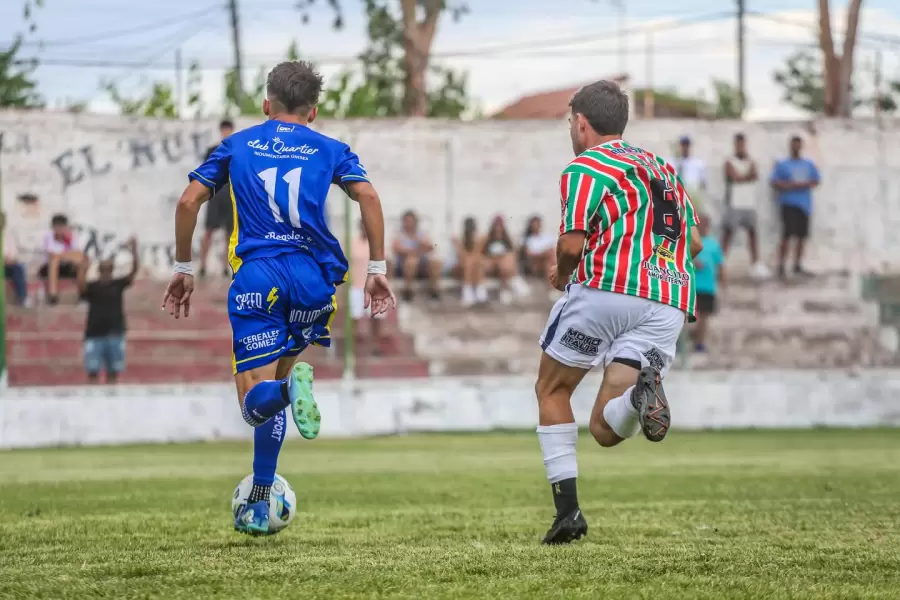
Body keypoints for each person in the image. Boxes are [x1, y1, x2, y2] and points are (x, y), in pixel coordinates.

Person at [162, 61, 396, 535]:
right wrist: (376, 269)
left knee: (256, 402)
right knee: (275, 389)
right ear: (313, 111)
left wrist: (184, 267)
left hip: (259, 276)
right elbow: (369, 197)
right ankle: (260, 499)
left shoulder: (238, 144)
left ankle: (289, 392)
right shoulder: (330, 148)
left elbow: (189, 201)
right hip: (313, 281)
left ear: (266, 104)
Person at [535, 80, 703, 545]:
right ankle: (639, 397)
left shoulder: (585, 167)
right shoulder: (662, 167)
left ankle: (567, 514)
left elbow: (572, 245)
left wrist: (563, 273)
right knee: (605, 429)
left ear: (581, 124)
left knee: (552, 389)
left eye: (571, 123)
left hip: (608, 291)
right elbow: (695, 242)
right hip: (668, 300)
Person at [77, 238, 139, 384]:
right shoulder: (92, 287)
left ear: (112, 270)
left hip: (115, 333)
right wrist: (83, 269)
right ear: (99, 270)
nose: (106, 271)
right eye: (103, 268)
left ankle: (112, 397)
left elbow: (134, 271)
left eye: (109, 268)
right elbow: (81, 287)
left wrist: (134, 251)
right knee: (92, 372)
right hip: (94, 334)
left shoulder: (118, 284)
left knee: (113, 373)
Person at [771, 135, 820, 280]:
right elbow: (774, 182)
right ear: (790, 146)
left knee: (801, 237)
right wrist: (789, 185)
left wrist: (804, 184)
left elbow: (816, 180)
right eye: (794, 145)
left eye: (798, 145)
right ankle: (781, 266)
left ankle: (797, 265)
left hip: (804, 205)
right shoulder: (783, 164)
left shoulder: (808, 164)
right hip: (788, 204)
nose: (796, 148)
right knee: (787, 236)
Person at [722, 133, 768, 280]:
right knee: (728, 234)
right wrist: (745, 176)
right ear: (735, 145)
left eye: (742, 144)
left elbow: (754, 175)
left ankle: (756, 264)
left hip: (749, 203)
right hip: (735, 203)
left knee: (753, 234)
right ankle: (720, 263)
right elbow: (735, 176)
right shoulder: (729, 161)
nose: (741, 147)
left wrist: (744, 176)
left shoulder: (751, 161)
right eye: (738, 144)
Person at [198, 119, 236, 278]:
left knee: (229, 233)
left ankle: (226, 267)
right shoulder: (212, 151)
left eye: (228, 129)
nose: (226, 132)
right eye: (224, 129)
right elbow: (205, 173)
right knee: (209, 231)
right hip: (215, 194)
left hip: (230, 195)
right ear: (221, 131)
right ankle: (202, 265)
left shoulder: (237, 150)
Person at [350, 220, 385, 355]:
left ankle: (376, 347)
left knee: (376, 318)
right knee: (354, 317)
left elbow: (387, 263)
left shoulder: (378, 244)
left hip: (375, 286)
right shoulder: (352, 243)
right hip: (356, 286)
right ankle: (352, 350)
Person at [691, 214, 724, 353]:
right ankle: (682, 342)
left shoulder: (714, 244)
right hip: (691, 286)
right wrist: (693, 263)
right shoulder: (689, 241)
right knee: (686, 316)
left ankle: (699, 343)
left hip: (708, 287)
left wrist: (722, 284)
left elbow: (720, 265)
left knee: (704, 317)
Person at [392, 210, 442, 302]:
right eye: (407, 221)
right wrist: (414, 251)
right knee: (412, 261)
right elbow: (396, 248)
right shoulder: (399, 234)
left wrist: (422, 243)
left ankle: (434, 291)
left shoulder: (422, 234)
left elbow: (433, 247)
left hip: (421, 264)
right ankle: (407, 291)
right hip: (404, 264)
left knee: (436, 262)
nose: (409, 224)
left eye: (411, 221)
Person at [482, 215, 528, 304]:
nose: (498, 228)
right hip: (492, 266)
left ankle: (506, 288)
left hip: (504, 268)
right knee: (502, 261)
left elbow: (512, 254)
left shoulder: (507, 240)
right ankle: (510, 285)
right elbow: (483, 255)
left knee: (506, 260)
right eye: (496, 226)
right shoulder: (487, 239)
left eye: (500, 226)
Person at [39, 214, 83, 305]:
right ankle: (53, 294)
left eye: (62, 227)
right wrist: (67, 255)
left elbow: (77, 254)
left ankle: (82, 293)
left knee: (81, 261)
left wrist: (62, 255)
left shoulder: (72, 236)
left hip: (67, 266)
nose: (59, 230)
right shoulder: (48, 237)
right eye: (57, 227)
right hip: (50, 267)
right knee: (54, 261)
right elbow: (51, 254)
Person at [452, 216, 487, 307]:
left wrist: (475, 242)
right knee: (469, 262)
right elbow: (461, 256)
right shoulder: (459, 239)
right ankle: (470, 290)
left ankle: (477, 290)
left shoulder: (480, 238)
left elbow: (478, 254)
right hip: (460, 267)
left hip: (473, 266)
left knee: (477, 262)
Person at [674, 135, 707, 213]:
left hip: (692, 197)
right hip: (677, 198)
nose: (685, 148)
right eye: (683, 145)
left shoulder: (698, 164)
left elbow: (703, 184)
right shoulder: (674, 162)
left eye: (687, 145)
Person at [2, 212, 29, 306]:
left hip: (5, 267)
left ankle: (22, 298)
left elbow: (13, 256)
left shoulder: (8, 237)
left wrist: (7, 260)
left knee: (19, 268)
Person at [521, 215, 556, 280]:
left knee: (549, 262)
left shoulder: (548, 236)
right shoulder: (527, 239)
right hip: (535, 262)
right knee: (549, 259)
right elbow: (529, 254)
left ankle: (552, 283)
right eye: (534, 225)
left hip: (548, 260)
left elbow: (553, 250)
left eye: (537, 224)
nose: (536, 226)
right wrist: (544, 253)